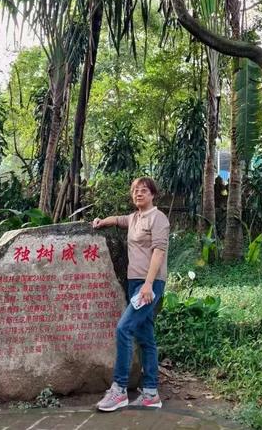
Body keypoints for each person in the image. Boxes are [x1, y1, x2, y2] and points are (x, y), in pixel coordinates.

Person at [92, 176, 170, 411]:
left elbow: (159, 252)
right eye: (135, 190)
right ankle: (150, 393)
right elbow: (119, 220)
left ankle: (119, 389)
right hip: (135, 283)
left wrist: (148, 285)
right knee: (146, 337)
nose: (138, 194)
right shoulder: (135, 218)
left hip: (150, 284)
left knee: (124, 328)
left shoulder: (158, 218)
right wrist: (100, 221)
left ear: (152, 194)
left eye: (143, 190)